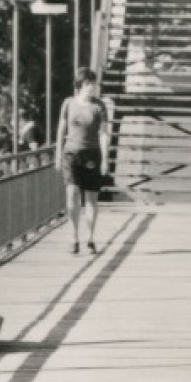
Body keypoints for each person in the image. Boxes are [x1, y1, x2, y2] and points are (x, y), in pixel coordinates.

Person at [55, 69, 111, 255]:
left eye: (93, 84)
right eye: (88, 84)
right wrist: (57, 154)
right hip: (71, 153)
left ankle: (90, 238)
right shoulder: (68, 104)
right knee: (71, 195)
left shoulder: (99, 106)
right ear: (79, 86)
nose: (92, 88)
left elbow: (103, 133)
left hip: (91, 154)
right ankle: (73, 236)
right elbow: (61, 130)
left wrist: (105, 158)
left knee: (91, 199)